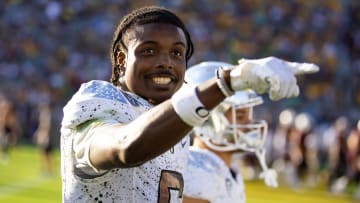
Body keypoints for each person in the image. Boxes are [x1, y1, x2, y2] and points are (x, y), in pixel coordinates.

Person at [60, 6, 319, 203]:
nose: (166, 62)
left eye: (177, 53)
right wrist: (227, 83)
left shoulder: (177, 129)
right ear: (120, 60)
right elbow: (126, 148)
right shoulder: (99, 100)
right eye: (149, 50)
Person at [181, 61, 277, 203]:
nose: (249, 123)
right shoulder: (198, 169)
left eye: (249, 115)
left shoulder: (227, 168)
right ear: (206, 119)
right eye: (240, 116)